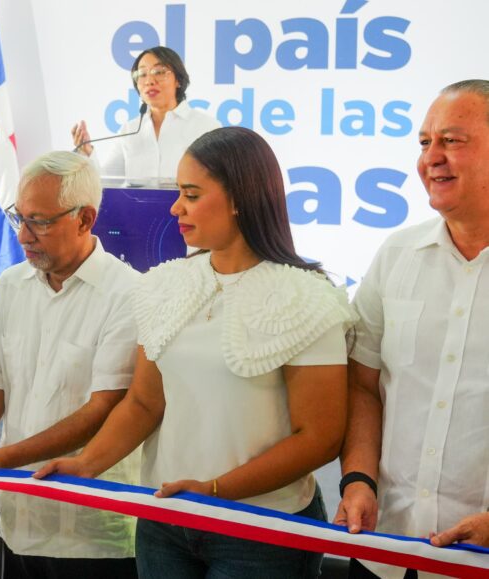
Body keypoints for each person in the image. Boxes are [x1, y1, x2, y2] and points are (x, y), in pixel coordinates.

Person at [37, 127, 355, 579]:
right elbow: (145, 403)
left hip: (263, 531)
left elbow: (318, 436)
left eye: (190, 194)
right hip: (166, 520)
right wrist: (87, 463)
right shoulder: (165, 284)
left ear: (240, 198)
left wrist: (215, 490)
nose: (174, 208)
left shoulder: (306, 296)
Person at [0, 150, 141, 579]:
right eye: (19, 217)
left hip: (96, 535)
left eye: (40, 221)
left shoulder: (129, 294)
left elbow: (103, 410)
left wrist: (0, 460)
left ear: (85, 219)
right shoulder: (10, 286)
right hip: (19, 523)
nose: (23, 235)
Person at [336, 79, 489, 578]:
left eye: (452, 140)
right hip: (384, 547)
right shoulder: (396, 254)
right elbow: (363, 384)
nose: (431, 158)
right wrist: (357, 481)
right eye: (425, 143)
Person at [71, 46, 219, 183]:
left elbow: (219, 182)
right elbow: (107, 183)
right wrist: (88, 153)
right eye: (142, 74)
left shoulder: (206, 127)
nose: (149, 81)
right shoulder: (129, 130)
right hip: (137, 211)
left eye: (159, 72)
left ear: (178, 80)